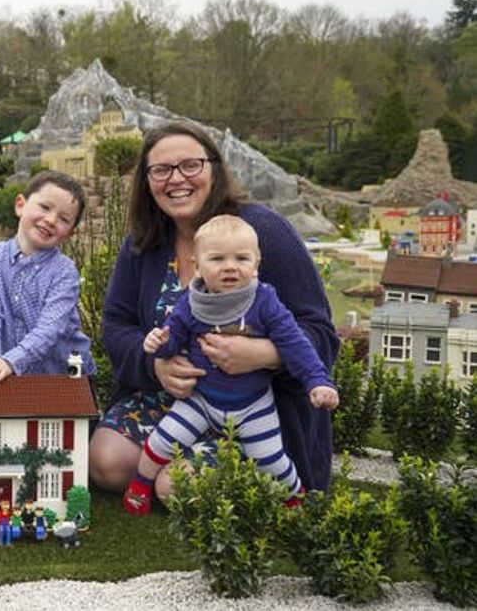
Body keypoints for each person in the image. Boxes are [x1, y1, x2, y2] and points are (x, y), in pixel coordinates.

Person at [90, 120, 338, 503]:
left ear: (214, 169)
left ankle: (257, 479)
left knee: (174, 485)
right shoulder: (143, 244)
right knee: (107, 464)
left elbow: (320, 330)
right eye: (161, 170)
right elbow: (117, 325)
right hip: (177, 402)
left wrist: (267, 355)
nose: (177, 179)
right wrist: (155, 365)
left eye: (191, 165)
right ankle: (184, 472)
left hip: (255, 407)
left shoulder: (261, 232)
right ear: (147, 180)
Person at [123, 214, 339, 515]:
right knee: (161, 441)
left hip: (252, 405)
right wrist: (158, 345)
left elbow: (295, 344)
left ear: (256, 265)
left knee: (272, 460)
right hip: (201, 399)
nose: (230, 266)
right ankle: (140, 485)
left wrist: (317, 380)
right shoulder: (192, 301)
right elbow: (175, 337)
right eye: (217, 259)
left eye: (241, 258)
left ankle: (295, 498)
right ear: (197, 266)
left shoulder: (264, 301)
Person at [0, 170, 95, 384]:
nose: (50, 220)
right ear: (20, 205)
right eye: (45, 207)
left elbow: (49, 329)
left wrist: (11, 362)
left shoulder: (64, 272)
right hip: (8, 377)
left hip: (64, 377)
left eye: (64, 219)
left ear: (71, 233)